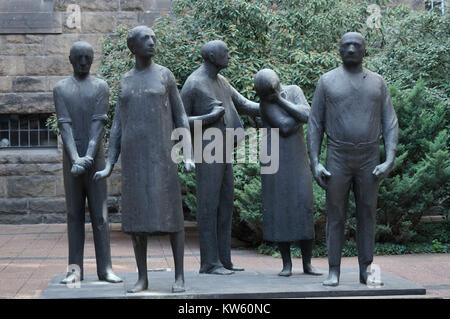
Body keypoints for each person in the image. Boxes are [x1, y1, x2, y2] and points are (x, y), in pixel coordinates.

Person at [94, 26, 195, 293]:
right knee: (137, 221)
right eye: (145, 39)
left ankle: (180, 276)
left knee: (173, 216)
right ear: (133, 47)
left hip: (163, 156)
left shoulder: (165, 75)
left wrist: (188, 153)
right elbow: (117, 124)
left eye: (153, 38)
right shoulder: (126, 80)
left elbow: (180, 116)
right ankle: (142, 277)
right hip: (134, 159)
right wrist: (109, 163)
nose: (152, 42)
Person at [307, 32, 398, 286]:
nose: (350, 49)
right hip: (338, 156)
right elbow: (315, 123)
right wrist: (315, 161)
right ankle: (333, 269)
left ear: (364, 50)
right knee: (335, 214)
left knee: (367, 214)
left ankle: (366, 269)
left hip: (369, 157)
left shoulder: (378, 83)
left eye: (355, 45)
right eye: (345, 45)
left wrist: (389, 157)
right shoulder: (327, 81)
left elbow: (390, 122)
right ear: (339, 49)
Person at [180, 40, 259, 275]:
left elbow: (245, 105)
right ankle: (209, 263)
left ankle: (224, 260)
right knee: (208, 206)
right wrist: (208, 117)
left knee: (225, 206)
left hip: (224, 151)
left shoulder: (222, 81)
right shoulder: (194, 84)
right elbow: (179, 122)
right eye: (225, 52)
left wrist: (273, 99)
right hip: (207, 151)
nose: (229, 55)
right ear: (212, 56)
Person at [53, 41, 122, 284]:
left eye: (88, 58)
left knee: (101, 216)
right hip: (72, 161)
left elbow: (98, 123)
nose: (84, 62)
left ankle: (105, 268)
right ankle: (74, 269)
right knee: (74, 215)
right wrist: (75, 158)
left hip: (95, 160)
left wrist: (88, 157)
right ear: (71, 59)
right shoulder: (61, 88)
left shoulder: (100, 87)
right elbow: (64, 124)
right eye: (79, 58)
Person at [254, 69, 322, 277]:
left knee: (304, 207)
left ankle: (307, 264)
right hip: (276, 161)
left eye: (269, 92)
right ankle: (287, 264)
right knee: (281, 211)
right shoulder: (265, 105)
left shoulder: (294, 90)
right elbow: (285, 126)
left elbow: (309, 115)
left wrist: (282, 102)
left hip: (297, 159)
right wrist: (299, 115)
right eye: (264, 94)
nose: (266, 97)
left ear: (276, 86)